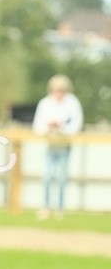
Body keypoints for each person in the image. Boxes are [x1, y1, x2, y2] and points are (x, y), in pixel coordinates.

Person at [33, 74, 84, 218]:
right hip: (50, 145)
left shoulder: (73, 103)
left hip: (65, 146)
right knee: (47, 177)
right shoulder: (45, 103)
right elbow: (37, 126)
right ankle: (46, 207)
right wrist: (49, 127)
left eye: (62, 89)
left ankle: (60, 209)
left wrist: (61, 127)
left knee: (62, 178)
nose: (59, 92)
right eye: (56, 89)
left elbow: (76, 125)